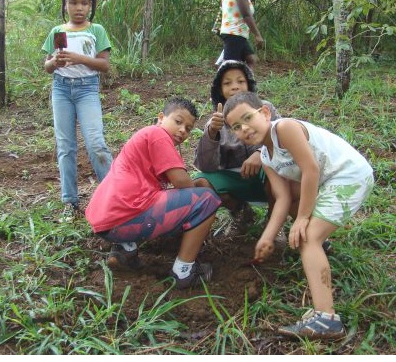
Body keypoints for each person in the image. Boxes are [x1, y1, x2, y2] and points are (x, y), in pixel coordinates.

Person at [223, 91, 374, 340]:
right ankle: (318, 244)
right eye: (236, 127)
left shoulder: (285, 128)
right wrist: (267, 237)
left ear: (265, 113)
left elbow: (311, 170)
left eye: (248, 118)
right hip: (330, 182)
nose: (244, 129)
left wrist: (303, 218)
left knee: (307, 238)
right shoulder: (265, 156)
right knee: (295, 202)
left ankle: (327, 320)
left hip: (349, 176)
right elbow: (282, 198)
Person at [85, 97, 222, 289]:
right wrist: (199, 185)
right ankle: (184, 272)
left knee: (161, 197)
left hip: (107, 222)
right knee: (207, 199)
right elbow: (181, 181)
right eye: (178, 121)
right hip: (125, 217)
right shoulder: (157, 135)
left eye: (189, 128)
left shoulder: (145, 137)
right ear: (160, 118)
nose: (183, 130)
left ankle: (125, 251)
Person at [42, 0, 114, 221]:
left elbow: (104, 65)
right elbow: (47, 66)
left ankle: (115, 194)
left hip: (87, 90)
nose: (79, 8)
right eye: (73, 2)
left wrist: (79, 58)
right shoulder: (57, 31)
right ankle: (70, 202)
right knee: (65, 147)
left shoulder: (96, 30)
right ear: (66, 4)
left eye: (84, 3)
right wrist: (56, 62)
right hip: (61, 90)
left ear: (91, 5)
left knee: (96, 143)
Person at [193, 60, 280, 235]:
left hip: (268, 178)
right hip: (236, 180)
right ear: (219, 89)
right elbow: (206, 167)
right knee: (200, 182)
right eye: (227, 83)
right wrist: (211, 133)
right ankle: (241, 212)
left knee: (280, 169)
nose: (234, 87)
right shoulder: (216, 121)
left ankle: (274, 224)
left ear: (249, 84)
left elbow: (282, 141)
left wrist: (259, 153)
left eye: (240, 81)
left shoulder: (265, 108)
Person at [219, 0, 264, 69]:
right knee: (229, 68)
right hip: (235, 33)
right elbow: (246, 14)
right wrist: (257, 35)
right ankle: (219, 84)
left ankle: (248, 83)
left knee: (251, 59)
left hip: (235, 33)